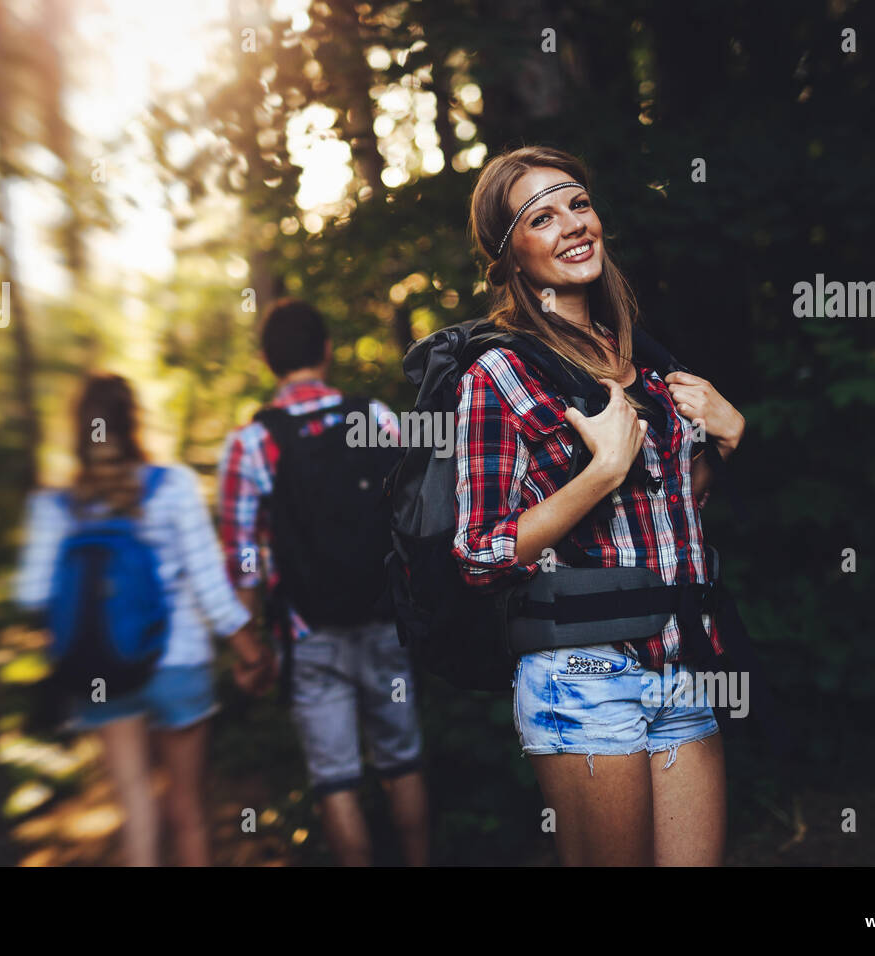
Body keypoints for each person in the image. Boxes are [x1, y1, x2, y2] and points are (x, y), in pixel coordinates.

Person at [453, 146, 747, 866]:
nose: (571, 225)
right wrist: (602, 469)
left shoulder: (645, 359)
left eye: (578, 203)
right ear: (511, 257)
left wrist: (728, 444)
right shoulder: (500, 374)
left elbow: (678, 503)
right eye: (540, 217)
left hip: (683, 664)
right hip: (582, 678)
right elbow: (479, 552)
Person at [14, 373, 271, 866]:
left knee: (135, 805)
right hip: (179, 664)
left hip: (101, 671)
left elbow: (31, 595)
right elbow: (211, 588)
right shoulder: (172, 485)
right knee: (187, 808)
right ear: (134, 423)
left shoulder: (54, 504)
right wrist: (252, 654)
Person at [218, 298, 429, 866]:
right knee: (402, 763)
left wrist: (250, 647)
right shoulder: (374, 417)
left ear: (267, 361)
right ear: (328, 350)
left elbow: (241, 559)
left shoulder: (251, 444)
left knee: (337, 780)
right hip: (384, 619)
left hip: (307, 633)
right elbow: (414, 512)